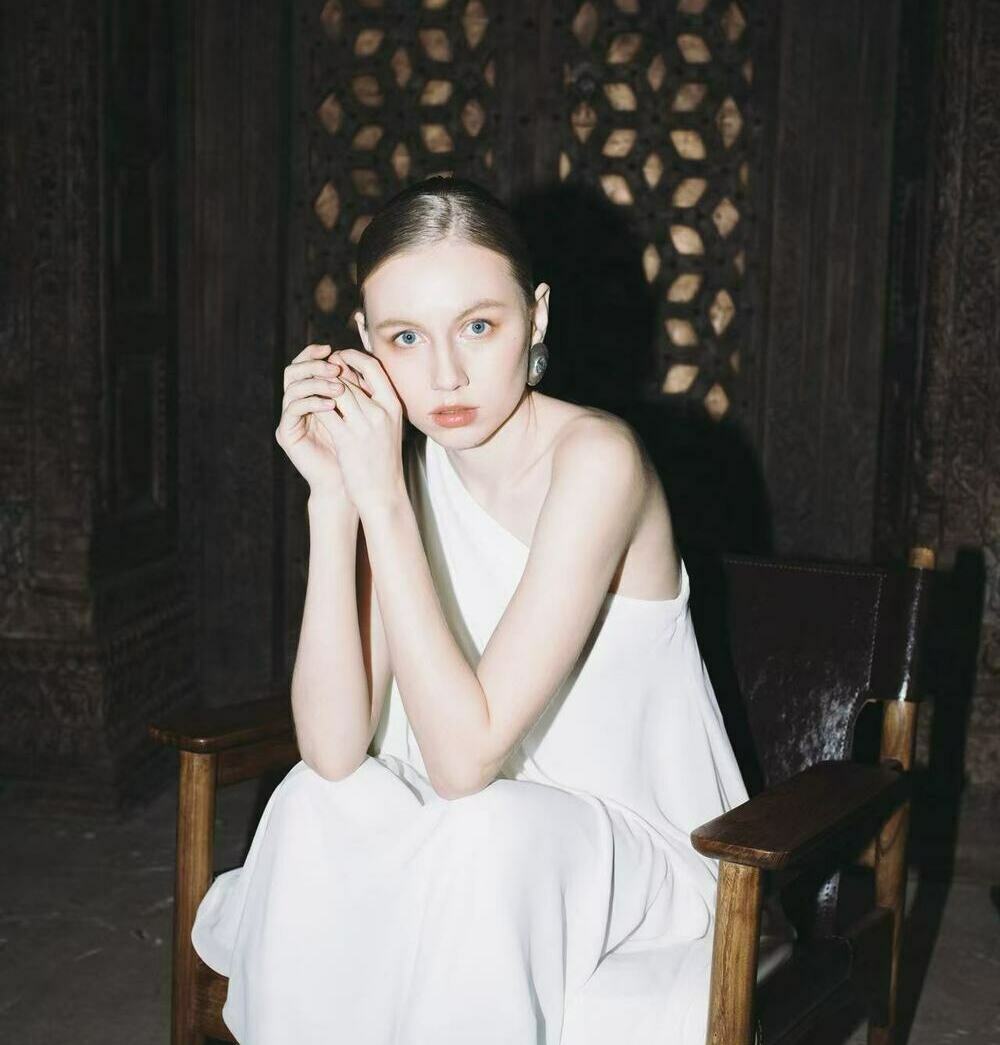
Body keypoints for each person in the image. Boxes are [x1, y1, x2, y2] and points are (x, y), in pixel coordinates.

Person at [190, 176, 790, 1044]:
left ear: (536, 316)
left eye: (478, 325)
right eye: (406, 336)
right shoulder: (408, 473)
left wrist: (384, 501)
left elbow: (464, 762)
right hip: (478, 829)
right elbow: (331, 747)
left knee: (489, 828)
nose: (445, 374)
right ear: (364, 341)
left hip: (641, 854)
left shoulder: (599, 461)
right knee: (314, 805)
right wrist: (334, 499)